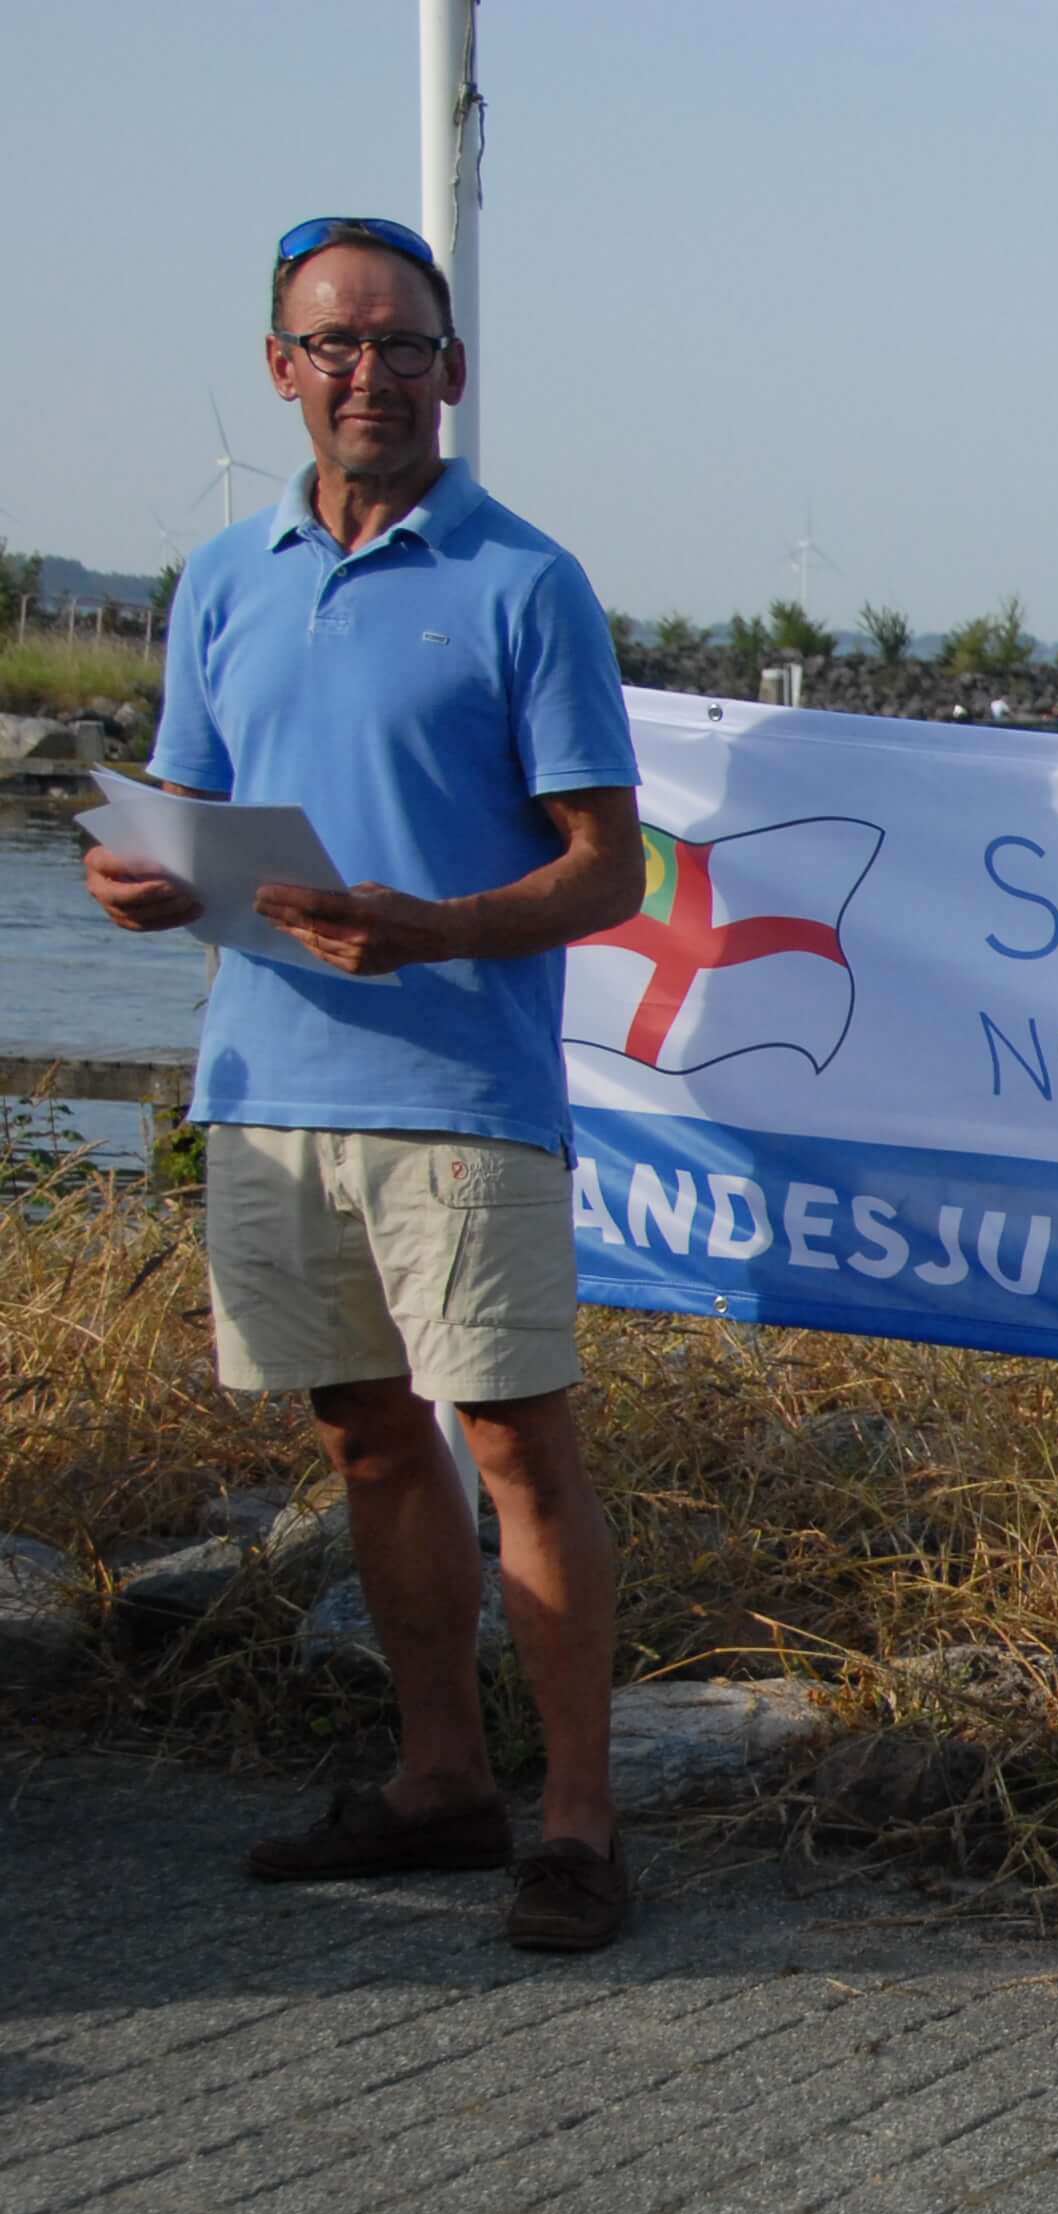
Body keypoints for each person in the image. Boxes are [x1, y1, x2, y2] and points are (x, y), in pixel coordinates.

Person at [83, 217, 647, 1950]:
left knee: (515, 1445)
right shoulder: (224, 578)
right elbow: (183, 814)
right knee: (366, 1441)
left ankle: (574, 1822)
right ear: (281, 369)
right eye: (333, 343)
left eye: (402, 345)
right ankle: (437, 1784)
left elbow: (610, 873)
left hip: (464, 1098)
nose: (369, 375)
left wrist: (440, 930)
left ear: (452, 371)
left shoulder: (526, 582)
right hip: (267, 1086)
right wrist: (142, 880)